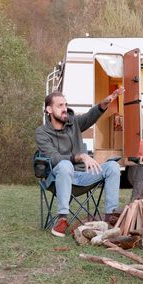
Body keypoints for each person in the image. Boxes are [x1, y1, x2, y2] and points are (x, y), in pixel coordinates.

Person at [36, 88, 124, 237]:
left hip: (83, 176)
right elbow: (53, 158)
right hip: (57, 179)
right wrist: (80, 156)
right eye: (60, 106)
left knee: (113, 166)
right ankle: (62, 219)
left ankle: (111, 216)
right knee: (65, 165)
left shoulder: (74, 123)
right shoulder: (42, 132)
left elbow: (91, 116)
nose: (65, 109)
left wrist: (104, 103)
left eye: (65, 105)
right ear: (49, 109)